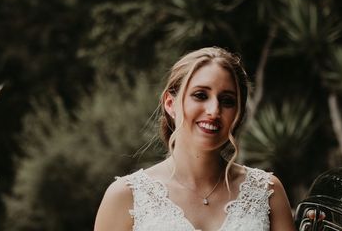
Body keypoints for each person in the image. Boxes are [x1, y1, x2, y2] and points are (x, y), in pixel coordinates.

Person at [94, 47, 296, 231]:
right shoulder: (125, 196)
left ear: (238, 113)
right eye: (200, 95)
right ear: (170, 103)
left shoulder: (267, 191)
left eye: (227, 101)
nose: (214, 111)